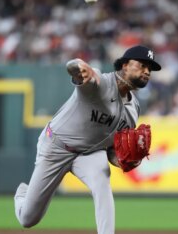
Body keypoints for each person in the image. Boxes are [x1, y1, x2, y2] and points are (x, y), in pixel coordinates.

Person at [14, 45, 162, 234]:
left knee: (102, 179)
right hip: (57, 146)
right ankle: (22, 195)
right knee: (28, 219)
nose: (147, 71)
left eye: (150, 69)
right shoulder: (99, 83)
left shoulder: (133, 110)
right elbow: (75, 68)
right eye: (142, 65)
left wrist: (122, 161)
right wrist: (79, 66)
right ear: (125, 65)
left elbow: (111, 150)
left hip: (89, 154)